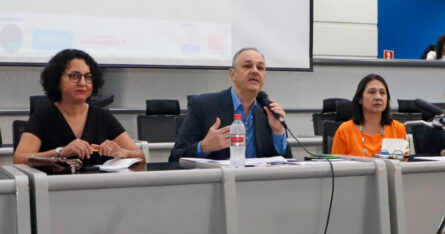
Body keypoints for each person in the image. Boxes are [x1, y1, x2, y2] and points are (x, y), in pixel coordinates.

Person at [14, 49, 144, 164]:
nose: (82, 83)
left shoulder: (103, 116)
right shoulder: (42, 117)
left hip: (98, 187)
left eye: (88, 77)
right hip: (54, 188)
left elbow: (140, 156)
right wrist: (60, 153)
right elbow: (19, 159)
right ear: (57, 80)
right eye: (74, 76)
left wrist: (123, 153)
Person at [170, 47, 291, 162]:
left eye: (260, 68)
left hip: (258, 182)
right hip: (220, 182)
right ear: (232, 74)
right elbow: (175, 157)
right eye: (247, 66)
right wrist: (204, 147)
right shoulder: (202, 106)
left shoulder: (268, 112)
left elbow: (287, 163)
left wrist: (278, 132)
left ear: (264, 76)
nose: (255, 71)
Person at [331, 74, 407, 157]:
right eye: (372, 92)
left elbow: (404, 166)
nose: (378, 97)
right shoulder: (344, 131)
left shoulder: (398, 129)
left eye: (382, 93)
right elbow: (336, 167)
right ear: (360, 99)